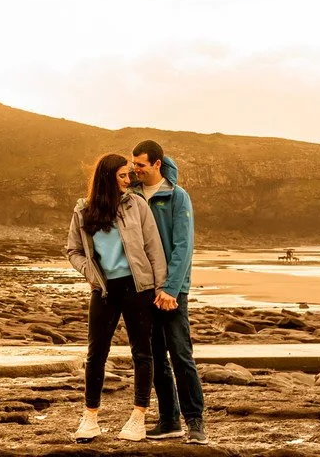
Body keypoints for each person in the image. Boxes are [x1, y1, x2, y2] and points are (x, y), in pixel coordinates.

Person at [64, 152, 168, 442]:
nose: (128, 179)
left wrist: (161, 288)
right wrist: (90, 273)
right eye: (123, 175)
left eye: (129, 174)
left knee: (142, 353)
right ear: (107, 177)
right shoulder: (84, 211)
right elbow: (73, 250)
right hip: (105, 290)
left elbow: (153, 248)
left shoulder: (137, 205)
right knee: (96, 353)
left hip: (138, 288)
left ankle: (138, 418)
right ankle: (90, 417)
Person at [130, 140, 207, 445]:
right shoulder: (132, 196)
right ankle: (169, 421)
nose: (135, 169)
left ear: (157, 164)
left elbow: (183, 246)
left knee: (181, 355)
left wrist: (172, 288)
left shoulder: (177, 196)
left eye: (141, 165)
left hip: (173, 291)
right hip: (144, 289)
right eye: (133, 164)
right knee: (155, 357)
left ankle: (195, 422)